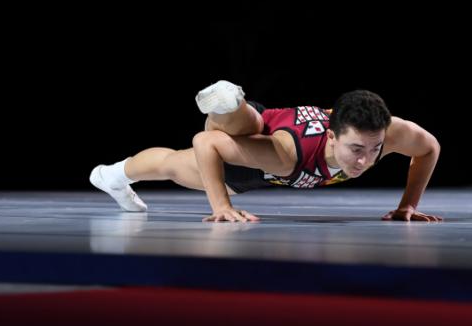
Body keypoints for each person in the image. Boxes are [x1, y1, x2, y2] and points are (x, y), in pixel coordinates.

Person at [91, 80, 443, 223]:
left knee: (250, 122)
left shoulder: (388, 129)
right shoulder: (288, 156)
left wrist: (407, 205)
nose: (366, 160)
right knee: (172, 164)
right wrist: (222, 208)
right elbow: (205, 143)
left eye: (374, 149)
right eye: (356, 150)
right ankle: (112, 175)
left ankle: (232, 107)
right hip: (272, 150)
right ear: (333, 138)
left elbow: (429, 148)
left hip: (266, 125)